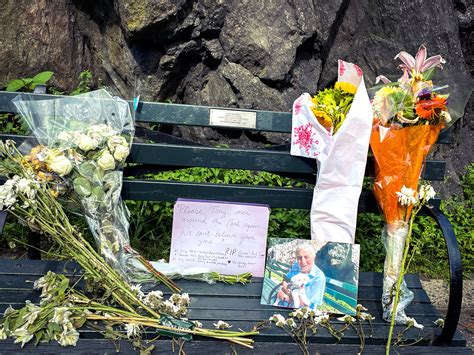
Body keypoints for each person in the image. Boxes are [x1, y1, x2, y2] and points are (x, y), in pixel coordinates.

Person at [276, 243, 326, 309]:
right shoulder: (296, 265)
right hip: (284, 303)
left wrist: (287, 296)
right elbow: (286, 279)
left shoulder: (319, 277)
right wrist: (282, 289)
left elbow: (306, 304)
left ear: (314, 257)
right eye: (299, 258)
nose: (303, 261)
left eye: (306, 257)